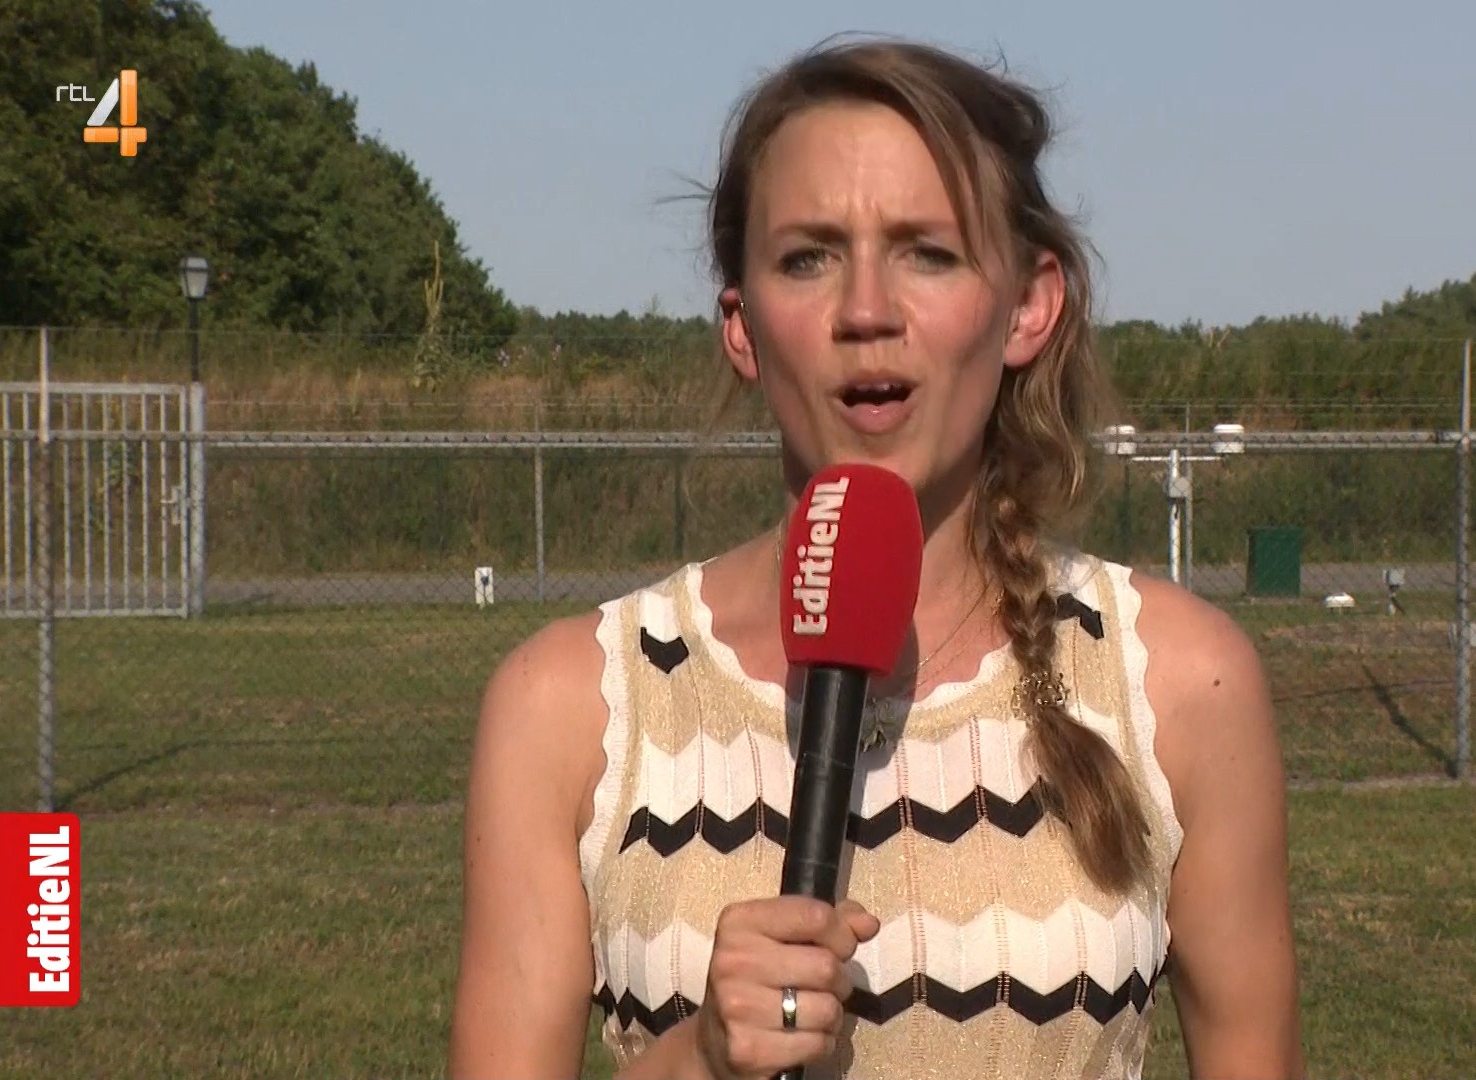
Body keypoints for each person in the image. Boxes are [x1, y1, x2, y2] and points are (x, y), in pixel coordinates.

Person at [448, 34, 1304, 1080]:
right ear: (742, 326)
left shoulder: (1178, 682)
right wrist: (696, 1060)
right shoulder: (569, 706)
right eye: (808, 257)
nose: (865, 312)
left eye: (927, 253)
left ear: (1028, 304)